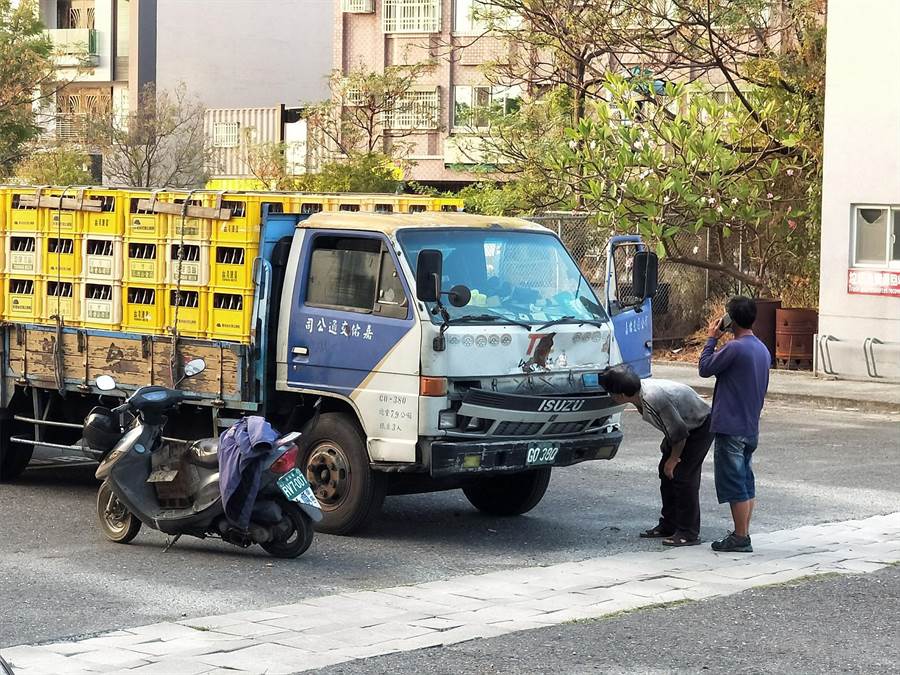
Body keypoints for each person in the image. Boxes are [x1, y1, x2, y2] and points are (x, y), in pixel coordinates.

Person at [600, 364, 713, 547]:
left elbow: (679, 433)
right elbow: (671, 426)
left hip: (700, 425)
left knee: (683, 476)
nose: (609, 397)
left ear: (620, 395)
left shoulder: (652, 398)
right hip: (682, 427)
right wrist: (668, 447)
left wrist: (674, 458)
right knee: (665, 472)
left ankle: (688, 532)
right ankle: (669, 524)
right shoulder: (639, 394)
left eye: (610, 393)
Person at [699, 296, 771, 553]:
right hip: (750, 424)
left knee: (734, 482)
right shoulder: (762, 349)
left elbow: (705, 368)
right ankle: (743, 532)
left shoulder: (735, 348)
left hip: (731, 425)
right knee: (746, 480)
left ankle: (740, 537)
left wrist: (711, 338)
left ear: (731, 319)